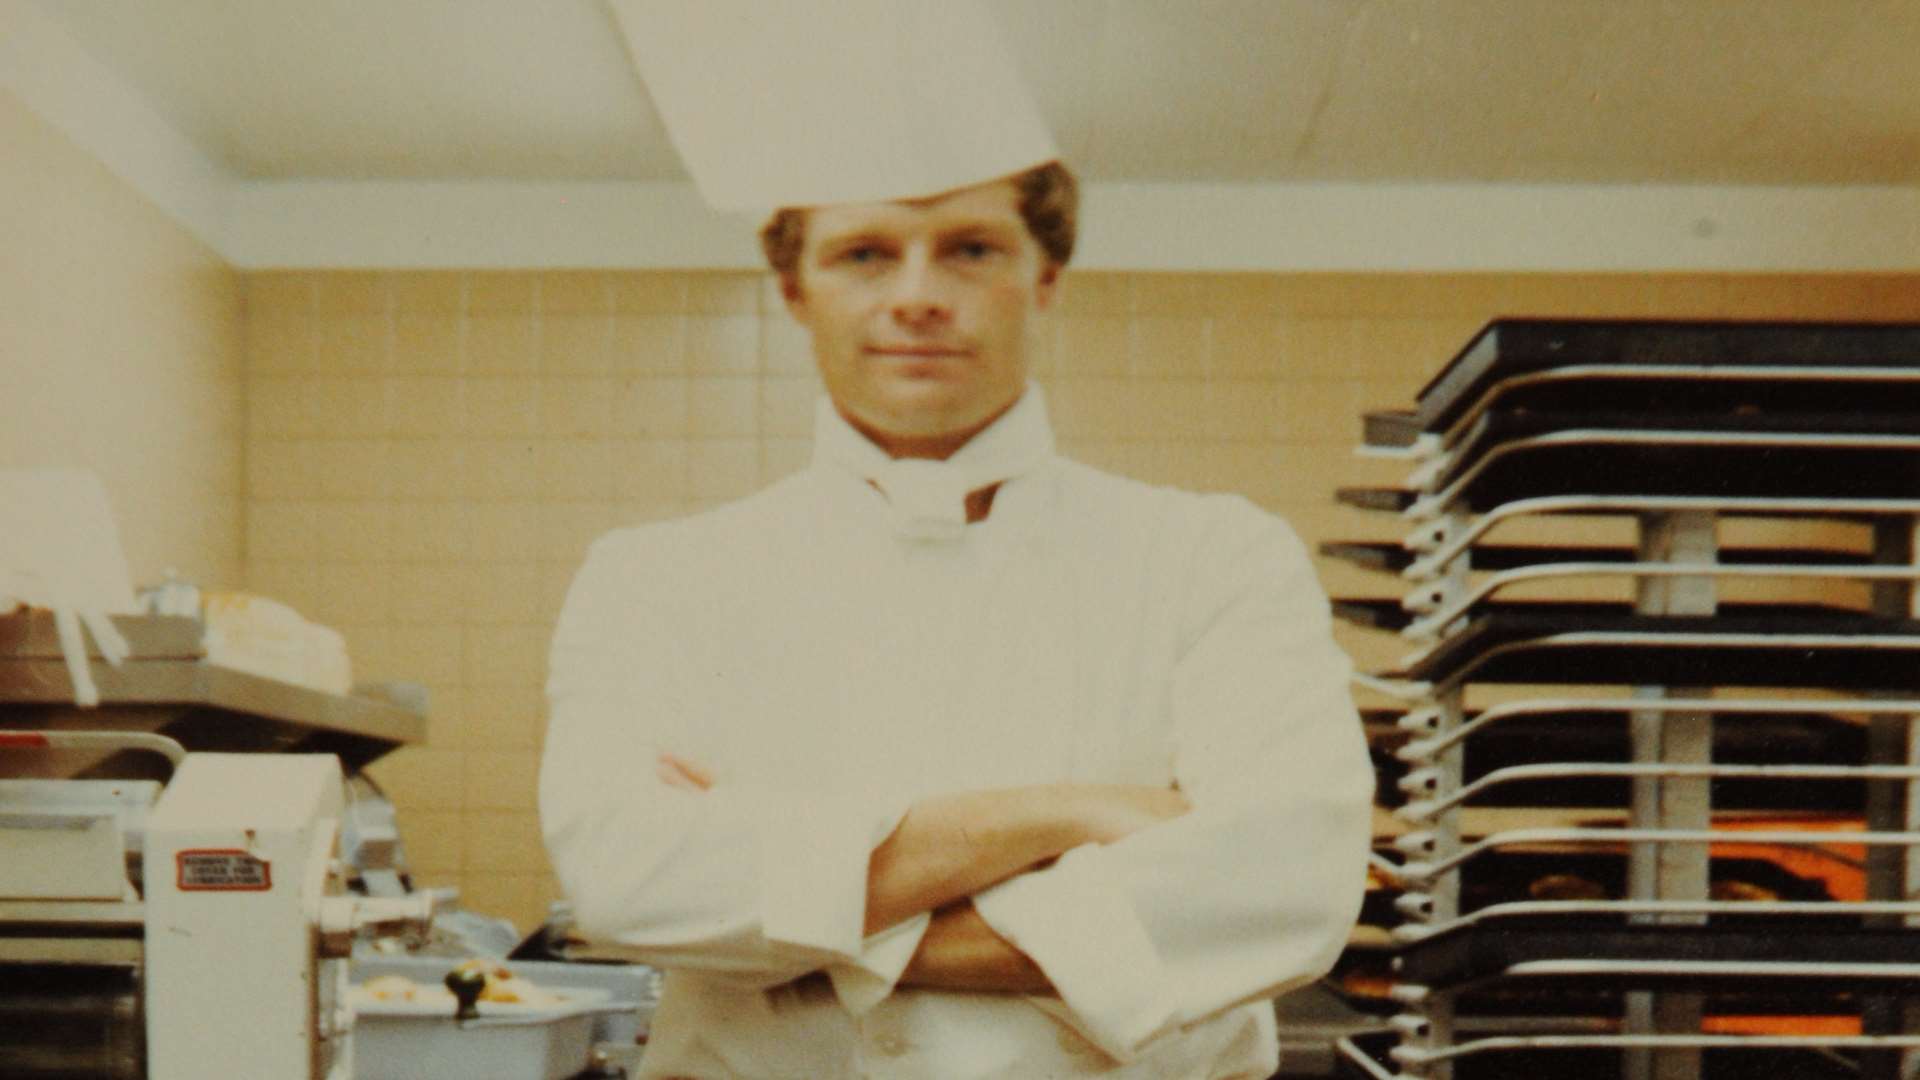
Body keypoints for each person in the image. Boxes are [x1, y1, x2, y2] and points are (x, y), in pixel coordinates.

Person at [540, 159, 1374, 1079]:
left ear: (1043, 278)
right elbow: (624, 880)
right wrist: (1062, 813)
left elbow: (1287, 884)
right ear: (793, 290)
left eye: (970, 250)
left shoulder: (1216, 555)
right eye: (865, 253)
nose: (919, 296)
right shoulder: (656, 576)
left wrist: (793, 916)